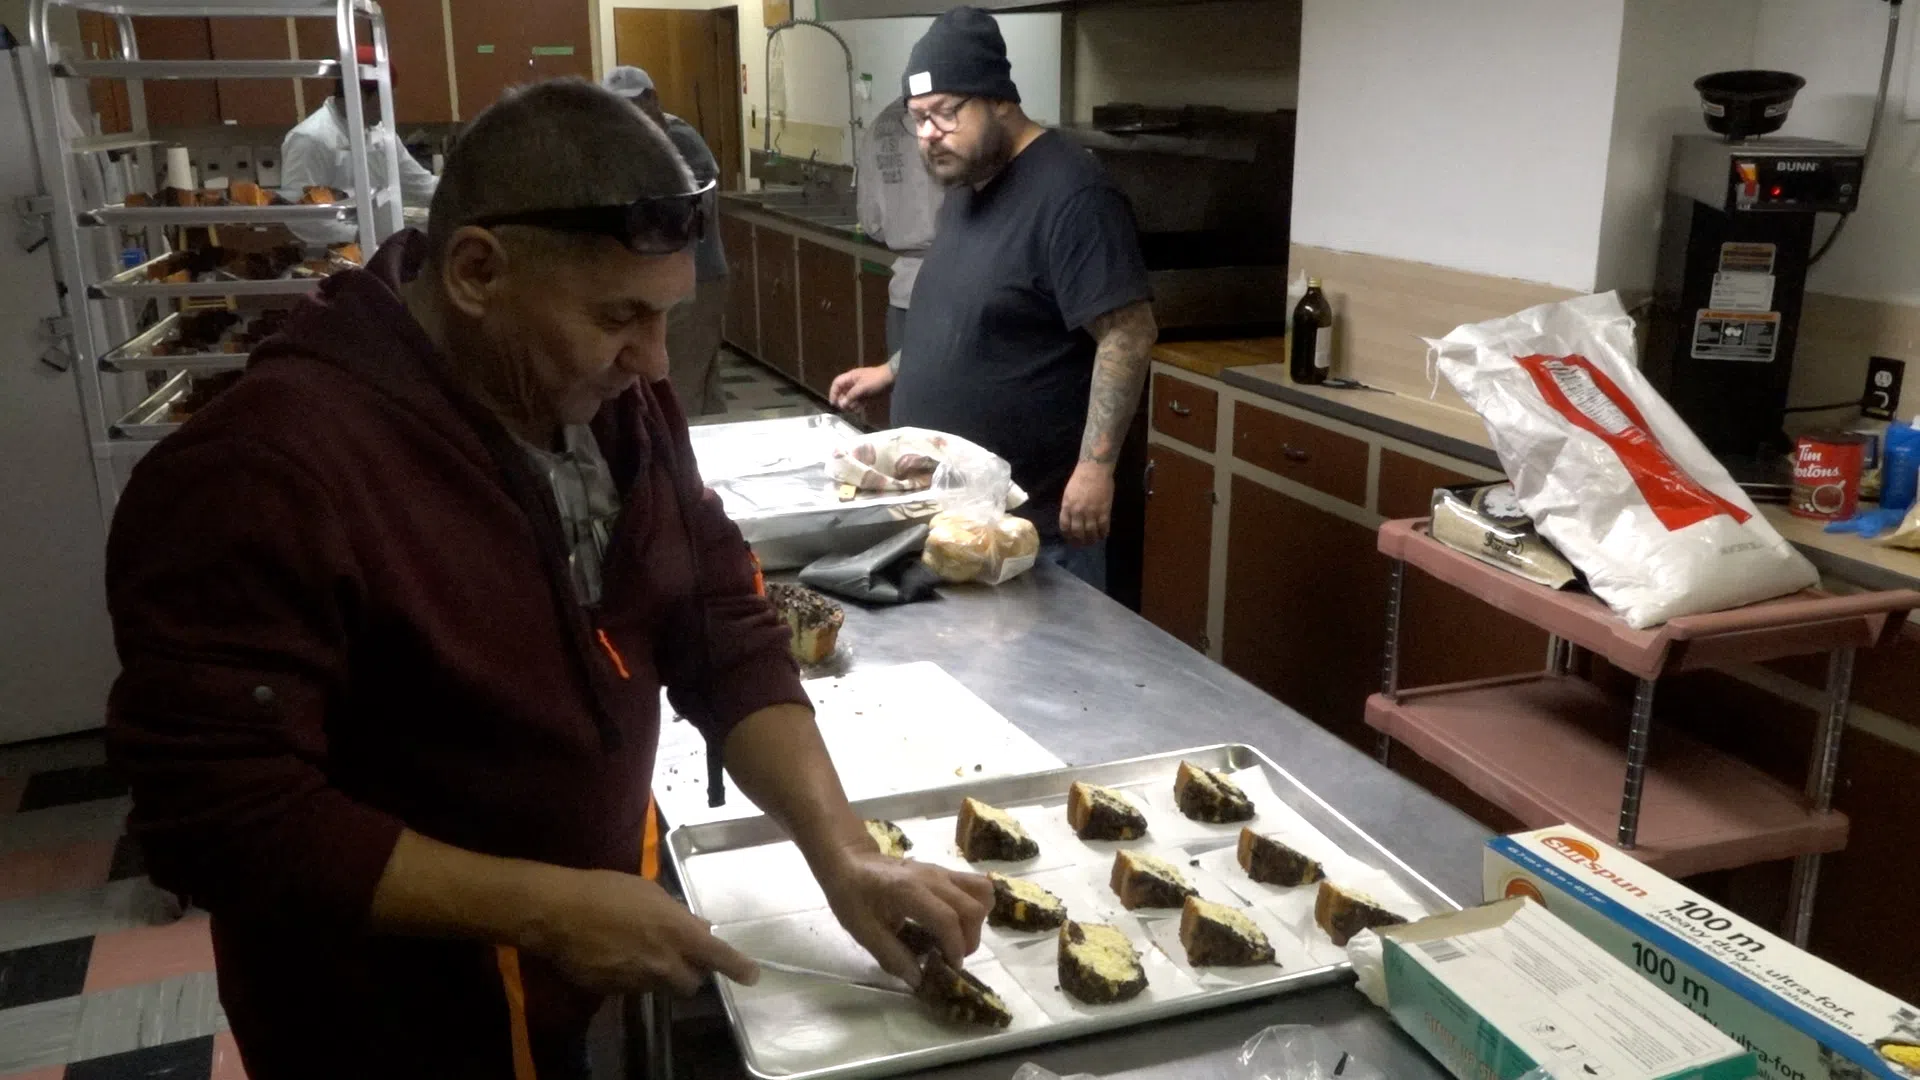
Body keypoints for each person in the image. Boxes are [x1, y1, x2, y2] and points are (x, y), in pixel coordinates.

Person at [105, 79, 991, 1080]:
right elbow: (217, 818)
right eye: (619, 315)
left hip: (569, 970)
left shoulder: (606, 399)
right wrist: (545, 906)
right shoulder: (264, 473)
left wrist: (844, 853)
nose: (656, 364)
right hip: (388, 1027)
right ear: (479, 270)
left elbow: (714, 615)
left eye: (666, 315)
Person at [829, 7, 1157, 590]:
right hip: (956, 514)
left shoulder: (1074, 196)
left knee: (1049, 678)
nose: (929, 134)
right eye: (918, 119)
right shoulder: (968, 182)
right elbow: (976, 315)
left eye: (945, 113)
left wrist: (1096, 467)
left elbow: (1127, 333)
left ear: (1000, 99)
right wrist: (894, 369)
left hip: (1034, 529)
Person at [605, 65, 730, 415]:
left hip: (695, 280)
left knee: (678, 390)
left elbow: (683, 214)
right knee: (702, 385)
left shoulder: (679, 139)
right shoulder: (632, 140)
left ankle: (680, 466)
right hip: (668, 280)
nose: (627, 113)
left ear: (652, 99)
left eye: (634, 103)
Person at [279, 44, 438, 246]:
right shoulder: (310, 139)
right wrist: (358, 237)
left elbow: (421, 185)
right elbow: (302, 217)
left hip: (376, 250)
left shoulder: (382, 135)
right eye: (384, 101)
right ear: (359, 95)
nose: (390, 110)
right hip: (331, 256)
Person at [857, 95, 945, 359]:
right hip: (949, 292)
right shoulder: (948, 124)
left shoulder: (879, 125)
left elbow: (871, 223)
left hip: (903, 293)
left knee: (904, 389)